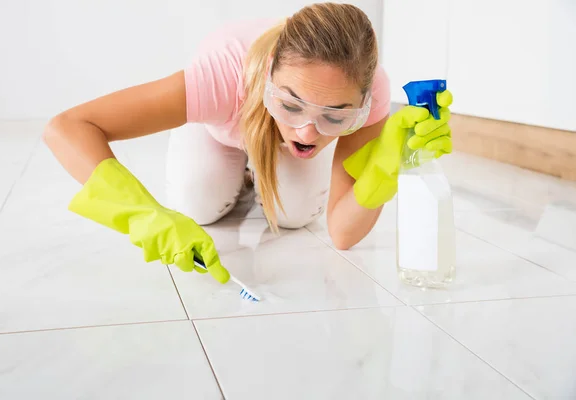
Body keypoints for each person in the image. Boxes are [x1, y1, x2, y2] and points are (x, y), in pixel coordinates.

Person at [43, 2, 453, 284]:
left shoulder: (372, 94)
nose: (307, 133)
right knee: (198, 204)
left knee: (292, 215)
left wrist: (382, 170)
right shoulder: (224, 74)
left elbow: (343, 234)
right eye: (290, 105)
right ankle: (239, 172)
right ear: (269, 78)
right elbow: (67, 126)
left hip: (279, 137)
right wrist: (142, 214)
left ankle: (257, 170)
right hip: (219, 125)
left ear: (362, 104)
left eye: (334, 117)